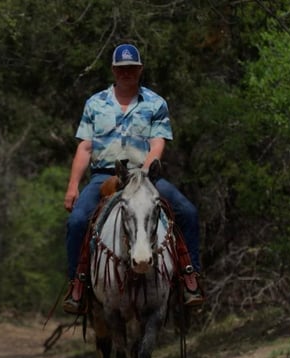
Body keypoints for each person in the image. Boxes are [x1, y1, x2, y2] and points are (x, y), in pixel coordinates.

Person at [63, 43, 203, 314]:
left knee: (187, 212)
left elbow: (158, 143)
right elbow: (85, 147)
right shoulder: (95, 103)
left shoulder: (155, 103)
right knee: (77, 221)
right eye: (121, 68)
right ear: (113, 70)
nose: (126, 72)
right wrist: (72, 186)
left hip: (144, 175)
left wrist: (144, 174)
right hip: (104, 175)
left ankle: (189, 276)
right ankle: (77, 283)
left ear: (140, 69)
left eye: (131, 68)